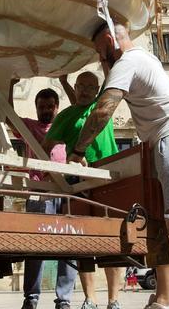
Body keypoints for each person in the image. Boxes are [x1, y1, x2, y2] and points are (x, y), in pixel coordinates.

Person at [67, 22, 169, 309]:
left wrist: (78, 150)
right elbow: (111, 83)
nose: (101, 59)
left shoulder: (129, 61)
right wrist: (107, 61)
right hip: (160, 141)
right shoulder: (138, 59)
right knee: (161, 222)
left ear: (110, 39)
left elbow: (103, 109)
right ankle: (164, 298)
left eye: (100, 52)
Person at [41, 72, 122, 309]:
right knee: (83, 240)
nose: (86, 90)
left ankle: (114, 299)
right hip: (77, 180)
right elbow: (46, 145)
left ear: (98, 89)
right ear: (75, 88)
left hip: (109, 176)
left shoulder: (101, 105)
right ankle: (90, 298)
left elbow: (114, 78)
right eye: (81, 86)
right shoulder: (65, 116)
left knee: (112, 239)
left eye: (91, 86)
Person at [10, 83, 77, 309]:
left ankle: (64, 300)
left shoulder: (66, 126)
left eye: (50, 106)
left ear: (57, 108)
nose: (46, 110)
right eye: (42, 107)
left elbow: (81, 111)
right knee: (35, 245)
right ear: (36, 108)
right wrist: (9, 84)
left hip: (66, 190)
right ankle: (31, 298)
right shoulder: (29, 126)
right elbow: (9, 117)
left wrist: (66, 81)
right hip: (39, 191)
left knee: (69, 245)